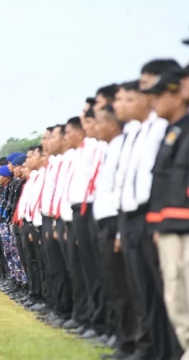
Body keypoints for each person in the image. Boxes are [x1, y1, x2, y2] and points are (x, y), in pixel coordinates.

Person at [145, 68, 189, 360]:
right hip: (171, 224)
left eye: (159, 95)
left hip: (184, 226)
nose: (154, 103)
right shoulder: (173, 131)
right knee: (176, 300)